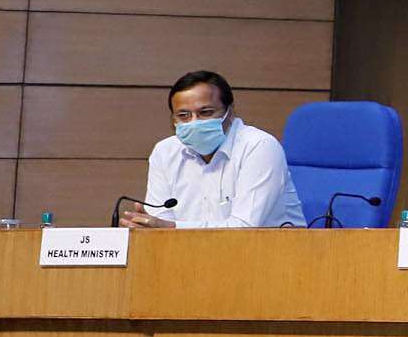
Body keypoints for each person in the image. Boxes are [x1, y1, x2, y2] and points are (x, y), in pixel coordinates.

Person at [123, 70, 306, 228]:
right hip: (193, 253)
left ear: (230, 112)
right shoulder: (165, 152)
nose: (194, 122)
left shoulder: (259, 146)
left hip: (271, 253)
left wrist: (172, 228)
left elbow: (244, 228)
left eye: (206, 113)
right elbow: (160, 223)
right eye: (183, 115)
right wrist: (149, 226)